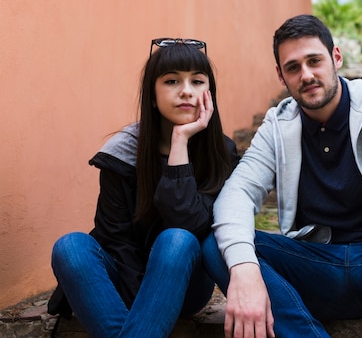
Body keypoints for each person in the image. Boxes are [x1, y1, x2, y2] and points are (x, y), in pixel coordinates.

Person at [203, 14, 362, 338]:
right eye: (293, 67)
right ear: (281, 76)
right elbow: (237, 194)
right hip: (315, 270)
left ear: (336, 57)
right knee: (218, 246)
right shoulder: (277, 125)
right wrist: (243, 268)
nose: (307, 75)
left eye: (314, 61)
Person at [48, 38, 240, 338]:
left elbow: (192, 225)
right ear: (152, 94)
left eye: (198, 81)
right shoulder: (122, 153)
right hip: (125, 279)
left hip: (185, 282)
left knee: (177, 239)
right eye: (172, 80)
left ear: (209, 94)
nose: (186, 91)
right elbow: (115, 240)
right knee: (70, 247)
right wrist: (147, 306)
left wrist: (180, 142)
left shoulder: (220, 153)